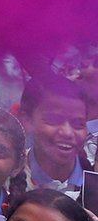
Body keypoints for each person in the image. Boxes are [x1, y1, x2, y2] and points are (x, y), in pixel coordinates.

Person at [20, 70, 92, 198]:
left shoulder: (93, 183)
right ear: (27, 120)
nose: (67, 133)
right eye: (54, 120)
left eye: (78, 124)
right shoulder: (4, 179)